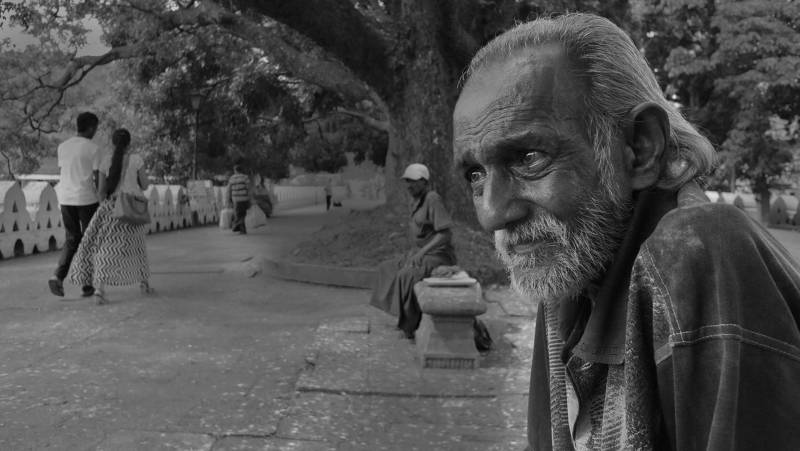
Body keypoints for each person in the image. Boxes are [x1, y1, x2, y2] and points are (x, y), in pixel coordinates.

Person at [453, 13, 800, 451]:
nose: (492, 214)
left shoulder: (698, 248)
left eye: (528, 158)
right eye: (475, 174)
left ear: (640, 148)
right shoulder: (572, 273)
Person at [370, 163, 456, 339]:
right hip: (420, 253)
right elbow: (420, 231)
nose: (409, 185)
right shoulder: (415, 201)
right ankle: (400, 315)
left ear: (424, 182)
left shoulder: (432, 199)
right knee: (386, 268)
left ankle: (410, 326)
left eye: (414, 181)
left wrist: (422, 252)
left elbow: (445, 234)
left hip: (438, 256)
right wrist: (403, 241)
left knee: (407, 276)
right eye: (407, 181)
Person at [68, 129, 153, 305]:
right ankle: (144, 284)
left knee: (106, 249)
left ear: (113, 143)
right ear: (129, 143)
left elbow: (101, 191)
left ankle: (100, 290)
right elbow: (145, 185)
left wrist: (105, 208)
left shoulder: (105, 161)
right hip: (132, 210)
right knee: (138, 247)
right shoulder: (136, 160)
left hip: (111, 209)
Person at [49, 112, 102, 298]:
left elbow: (65, 171)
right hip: (86, 199)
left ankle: (57, 276)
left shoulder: (63, 147)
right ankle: (87, 284)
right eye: (95, 128)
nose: (95, 132)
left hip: (65, 198)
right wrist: (102, 199)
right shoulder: (93, 148)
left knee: (72, 238)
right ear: (91, 127)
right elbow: (97, 178)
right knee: (89, 240)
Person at [227, 164, 251, 234]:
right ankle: (242, 229)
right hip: (244, 198)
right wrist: (250, 197)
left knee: (238, 214)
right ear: (241, 170)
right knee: (242, 214)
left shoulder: (232, 178)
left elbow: (229, 190)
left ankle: (236, 227)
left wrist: (228, 199)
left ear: (235, 170)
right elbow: (248, 188)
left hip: (236, 199)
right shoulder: (245, 177)